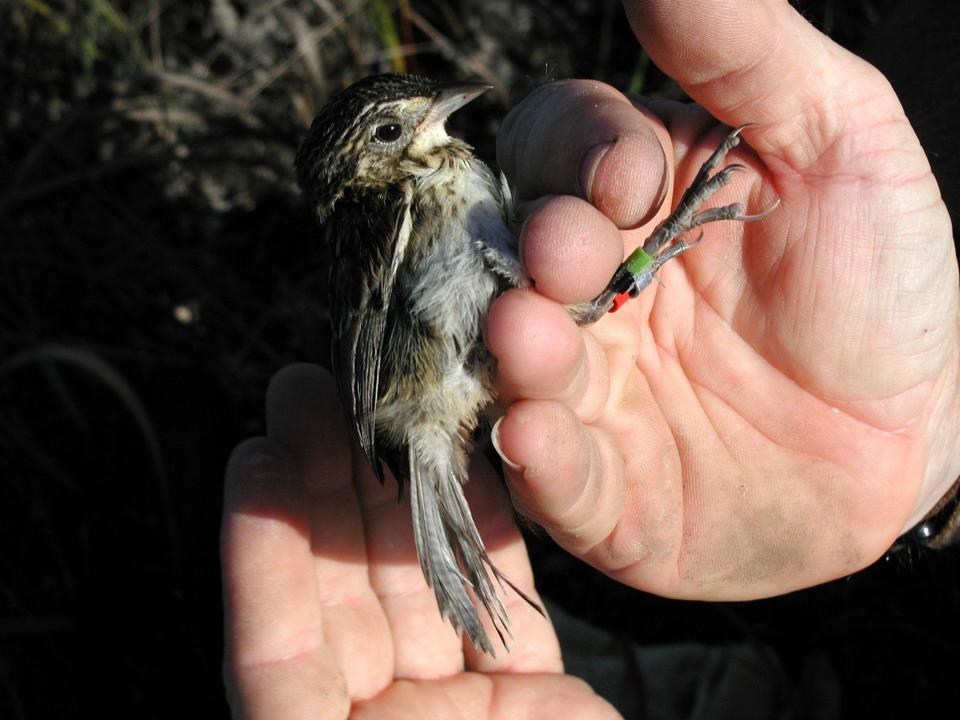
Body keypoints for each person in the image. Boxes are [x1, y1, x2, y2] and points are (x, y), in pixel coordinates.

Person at [221, 0, 957, 717]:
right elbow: (370, 344)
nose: (430, 117)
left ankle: (651, 254)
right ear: (367, 167)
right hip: (429, 384)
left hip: (485, 349)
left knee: (554, 288)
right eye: (393, 128)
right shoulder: (384, 205)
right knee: (550, 295)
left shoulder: (436, 171)